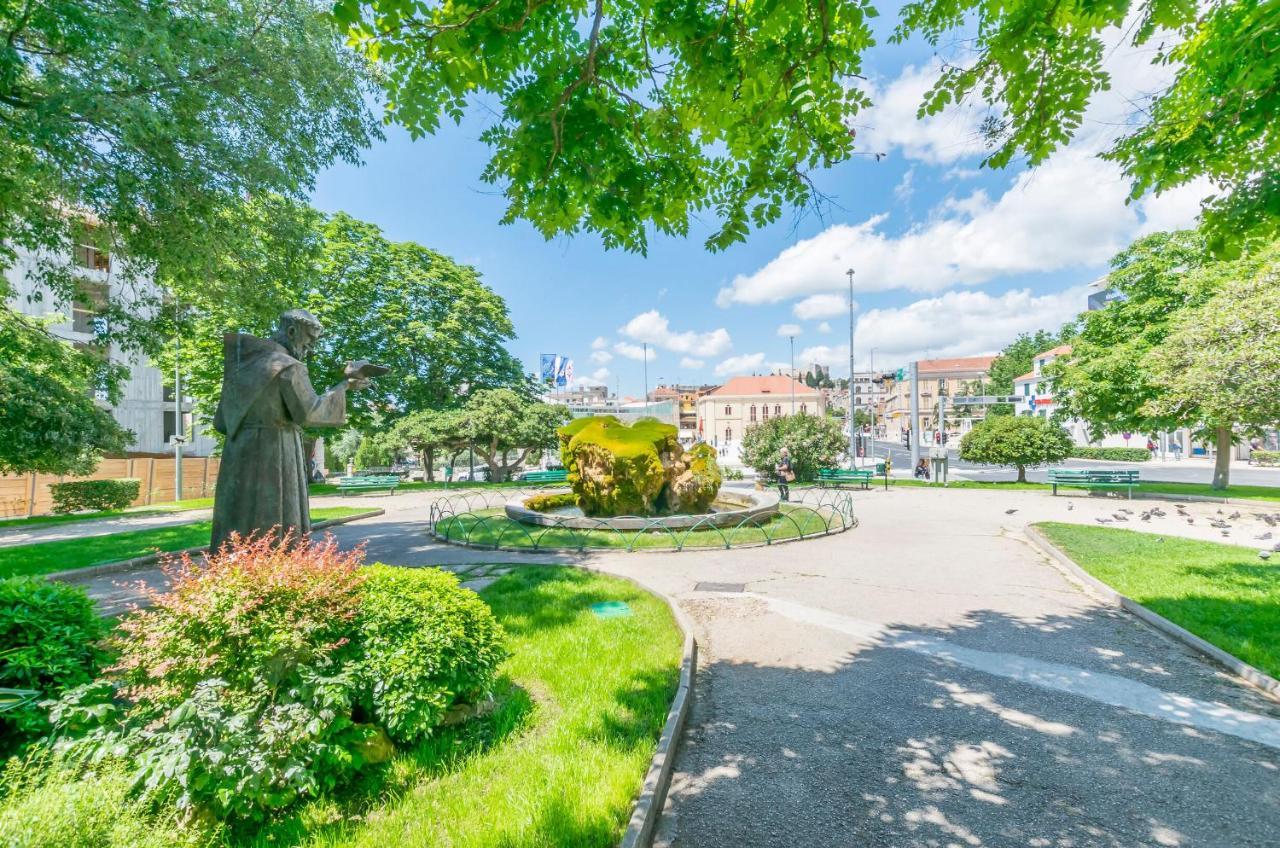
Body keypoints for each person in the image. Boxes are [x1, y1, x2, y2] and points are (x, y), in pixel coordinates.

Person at [211, 309, 371, 550]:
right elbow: (309, 412)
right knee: (276, 518)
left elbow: (221, 422)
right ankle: (279, 567)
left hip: (238, 453)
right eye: (309, 339)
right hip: (276, 448)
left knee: (238, 516)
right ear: (292, 331)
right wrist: (344, 386)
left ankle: (233, 566)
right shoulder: (288, 367)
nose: (311, 348)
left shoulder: (241, 366)